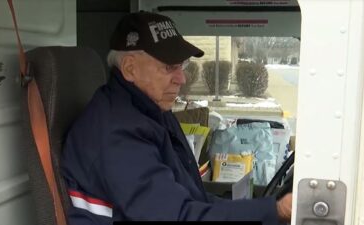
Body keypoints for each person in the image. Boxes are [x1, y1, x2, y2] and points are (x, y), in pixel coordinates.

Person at [60, 11, 292, 224]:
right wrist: (275, 210)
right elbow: (178, 216)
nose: (181, 78)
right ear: (130, 69)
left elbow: (192, 199)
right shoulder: (116, 133)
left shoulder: (150, 111)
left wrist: (268, 208)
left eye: (182, 65)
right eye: (169, 67)